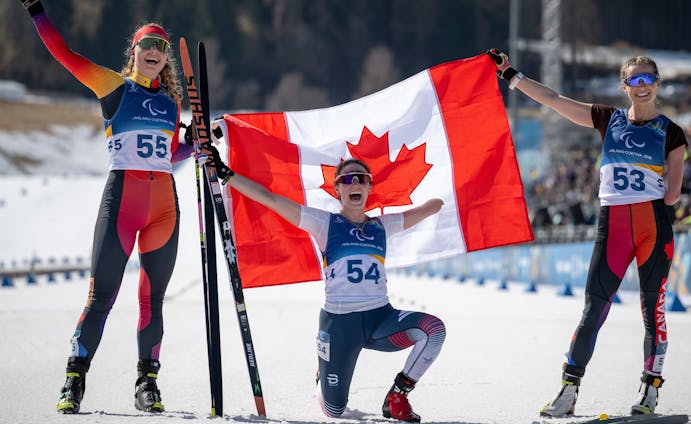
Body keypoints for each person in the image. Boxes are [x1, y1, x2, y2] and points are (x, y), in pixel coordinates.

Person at [488, 50, 687, 416]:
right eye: (634, 80)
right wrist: (512, 75)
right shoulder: (606, 119)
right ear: (624, 86)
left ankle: (650, 391)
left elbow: (673, 194)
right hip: (613, 227)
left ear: (657, 84)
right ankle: (568, 389)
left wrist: (649, 182)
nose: (641, 87)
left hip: (652, 228)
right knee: (594, 308)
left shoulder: (672, 134)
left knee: (651, 311)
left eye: (647, 80)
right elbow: (553, 100)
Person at [19, 0, 194, 414]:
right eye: (146, 43)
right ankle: (74, 379)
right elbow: (65, 54)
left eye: (161, 46)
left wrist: (197, 145)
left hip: (164, 210)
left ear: (166, 58)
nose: (154, 50)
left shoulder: (170, 105)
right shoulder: (113, 87)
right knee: (101, 298)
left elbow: (168, 155)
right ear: (133, 52)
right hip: (122, 204)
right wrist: (37, 11)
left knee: (152, 300)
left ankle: (146, 383)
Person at [204, 145, 446, 422]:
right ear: (337, 190)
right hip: (341, 325)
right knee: (334, 411)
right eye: (347, 179)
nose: (354, 183)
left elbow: (428, 208)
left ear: (369, 188)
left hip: (381, 318)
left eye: (361, 179)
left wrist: (447, 195)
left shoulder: (382, 226)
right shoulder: (325, 224)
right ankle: (323, 374)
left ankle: (397, 396)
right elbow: (270, 199)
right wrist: (226, 174)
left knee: (434, 330)